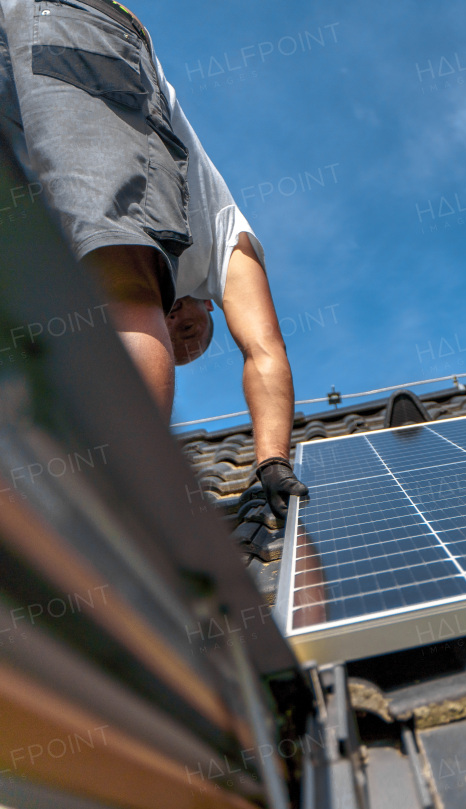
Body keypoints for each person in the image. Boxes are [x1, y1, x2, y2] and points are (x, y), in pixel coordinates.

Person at [0, 0, 305, 517]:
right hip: (73, 35)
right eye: (189, 336)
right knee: (126, 282)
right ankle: (124, 502)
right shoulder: (228, 247)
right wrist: (272, 459)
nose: (177, 336)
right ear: (211, 310)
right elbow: (264, 350)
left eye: (175, 346)